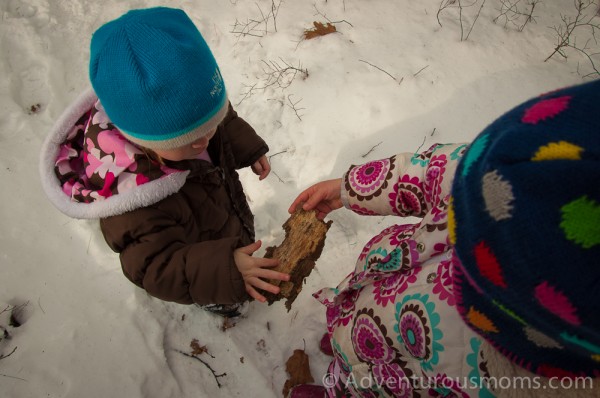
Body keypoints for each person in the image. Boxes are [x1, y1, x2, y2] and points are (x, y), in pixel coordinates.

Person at [287, 79, 600, 397]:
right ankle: (346, 355)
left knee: (373, 386)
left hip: (411, 376)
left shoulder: (521, 384)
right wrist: (349, 187)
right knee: (355, 336)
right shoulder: (502, 171)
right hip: (381, 295)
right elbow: (428, 174)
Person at [40, 7, 289, 317]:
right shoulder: (131, 200)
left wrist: (246, 147)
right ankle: (223, 301)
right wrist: (225, 269)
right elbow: (156, 267)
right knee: (222, 284)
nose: (205, 141)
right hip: (201, 260)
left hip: (221, 212)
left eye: (211, 122)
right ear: (139, 138)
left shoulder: (195, 113)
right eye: (188, 140)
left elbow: (223, 123)